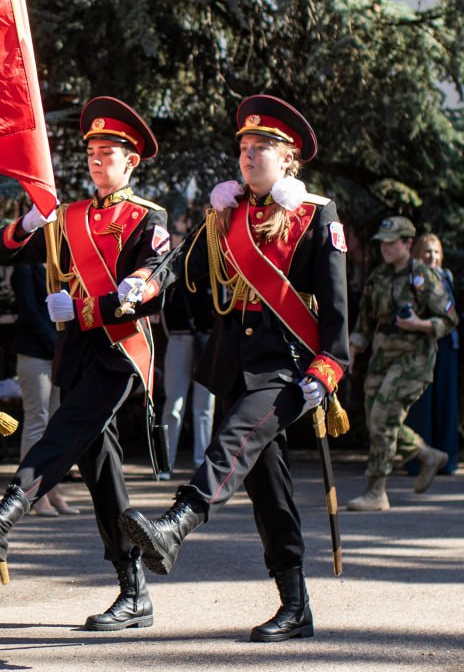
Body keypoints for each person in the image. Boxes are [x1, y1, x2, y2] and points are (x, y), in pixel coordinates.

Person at [120, 95, 349, 642]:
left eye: (261, 148)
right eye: (244, 148)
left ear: (288, 157)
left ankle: (178, 522)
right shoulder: (229, 214)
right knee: (268, 489)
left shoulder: (316, 214)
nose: (248, 157)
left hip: (287, 366)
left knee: (232, 442)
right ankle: (296, 605)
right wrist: (151, 279)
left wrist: (330, 367)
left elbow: (336, 307)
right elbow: (188, 272)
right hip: (234, 364)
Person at [0, 97, 168, 633]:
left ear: (131, 161)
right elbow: (3, 250)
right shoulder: (69, 216)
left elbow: (151, 284)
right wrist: (31, 218)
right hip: (75, 356)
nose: (97, 160)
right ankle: (133, 591)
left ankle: (7, 514)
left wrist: (91, 308)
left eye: (108, 152)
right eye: (91, 151)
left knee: (63, 432)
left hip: (118, 352)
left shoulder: (146, 217)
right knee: (102, 473)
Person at [345, 216, 454, 510]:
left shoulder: (423, 276)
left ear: (407, 243)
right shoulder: (378, 277)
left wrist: (420, 323)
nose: (385, 248)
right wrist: (352, 351)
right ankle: (425, 454)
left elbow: (448, 319)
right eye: (382, 242)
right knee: (376, 419)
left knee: (382, 416)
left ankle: (376, 490)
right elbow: (364, 323)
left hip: (414, 358)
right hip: (382, 356)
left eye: (392, 243)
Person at [10, 261, 77, 515]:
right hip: (35, 352)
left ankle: (52, 488)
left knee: (55, 424)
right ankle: (31, 493)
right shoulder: (25, 267)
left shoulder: (62, 266)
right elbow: (28, 310)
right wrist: (54, 342)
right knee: (37, 421)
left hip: (58, 352)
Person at [158, 215, 216, 478]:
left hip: (205, 338)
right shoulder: (168, 267)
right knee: (174, 402)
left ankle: (202, 462)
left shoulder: (208, 266)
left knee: (204, 404)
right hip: (180, 337)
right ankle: (164, 464)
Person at [406, 234, 458, 475]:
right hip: (420, 346)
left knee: (445, 402)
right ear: (417, 253)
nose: (432, 257)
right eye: (427, 251)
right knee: (421, 404)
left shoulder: (446, 276)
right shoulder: (411, 277)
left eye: (436, 252)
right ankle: (419, 461)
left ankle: (446, 460)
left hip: (446, 345)